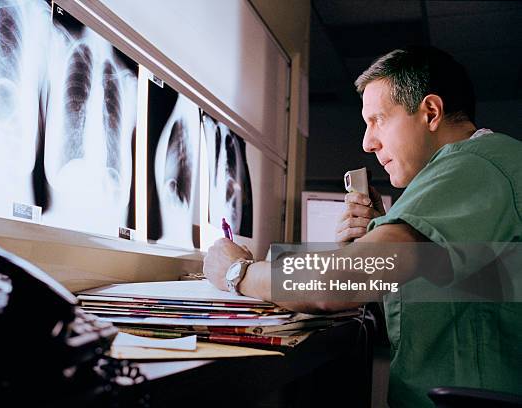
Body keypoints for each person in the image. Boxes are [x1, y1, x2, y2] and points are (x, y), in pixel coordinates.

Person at [203, 46, 522, 407]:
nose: (367, 143)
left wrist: (238, 271)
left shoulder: (473, 166)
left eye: (378, 120)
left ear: (430, 112)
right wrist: (380, 233)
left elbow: (333, 285)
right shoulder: (488, 171)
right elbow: (461, 301)